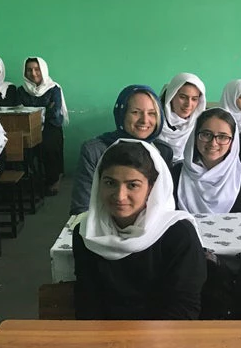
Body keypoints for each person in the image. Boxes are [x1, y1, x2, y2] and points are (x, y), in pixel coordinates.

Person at [73, 139, 206, 320]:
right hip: (105, 337)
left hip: (164, 337)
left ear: (151, 188)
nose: (120, 196)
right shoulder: (87, 233)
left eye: (133, 185)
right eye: (110, 183)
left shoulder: (178, 234)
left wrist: (141, 344)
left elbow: (184, 307)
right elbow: (88, 302)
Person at [70, 85, 173, 215]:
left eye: (152, 113)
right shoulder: (95, 151)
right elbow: (82, 207)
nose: (144, 120)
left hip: (152, 227)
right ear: (121, 114)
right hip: (104, 226)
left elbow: (167, 202)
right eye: (136, 112)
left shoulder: (163, 151)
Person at [172, 109, 241, 213]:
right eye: (206, 134)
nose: (213, 143)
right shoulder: (176, 173)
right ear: (195, 137)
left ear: (232, 143)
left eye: (222, 137)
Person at [17, 57, 68, 196]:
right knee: (20, 146)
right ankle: (31, 179)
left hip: (51, 126)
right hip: (27, 127)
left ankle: (54, 179)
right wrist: (44, 108)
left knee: (49, 145)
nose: (33, 73)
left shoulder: (53, 88)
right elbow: (19, 110)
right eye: (29, 70)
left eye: (37, 69)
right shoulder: (21, 90)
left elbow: (55, 112)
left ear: (43, 70)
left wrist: (34, 111)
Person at [156, 73, 206, 163]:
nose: (188, 104)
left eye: (194, 99)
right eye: (183, 97)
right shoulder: (153, 122)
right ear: (171, 96)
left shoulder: (202, 126)